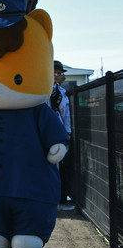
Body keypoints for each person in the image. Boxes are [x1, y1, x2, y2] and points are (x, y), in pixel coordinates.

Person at [51, 60, 73, 211]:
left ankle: (58, 198)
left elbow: (65, 114)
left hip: (57, 131)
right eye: (55, 72)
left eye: (59, 73)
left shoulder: (61, 93)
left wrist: (67, 131)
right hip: (43, 130)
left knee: (58, 165)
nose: (57, 75)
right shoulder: (39, 89)